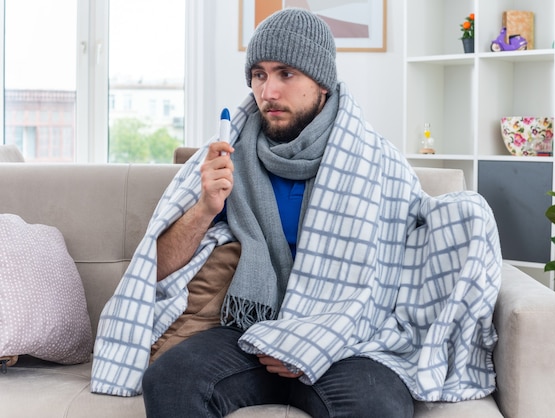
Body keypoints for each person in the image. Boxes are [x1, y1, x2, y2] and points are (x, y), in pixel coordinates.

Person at [92, 7, 500, 418]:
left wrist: (313, 342)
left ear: (321, 83)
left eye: (286, 73)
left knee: (378, 407)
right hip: (249, 331)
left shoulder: (377, 162)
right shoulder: (226, 159)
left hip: (345, 344)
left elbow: (387, 284)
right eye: (259, 75)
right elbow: (155, 268)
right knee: (170, 379)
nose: (268, 91)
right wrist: (205, 208)